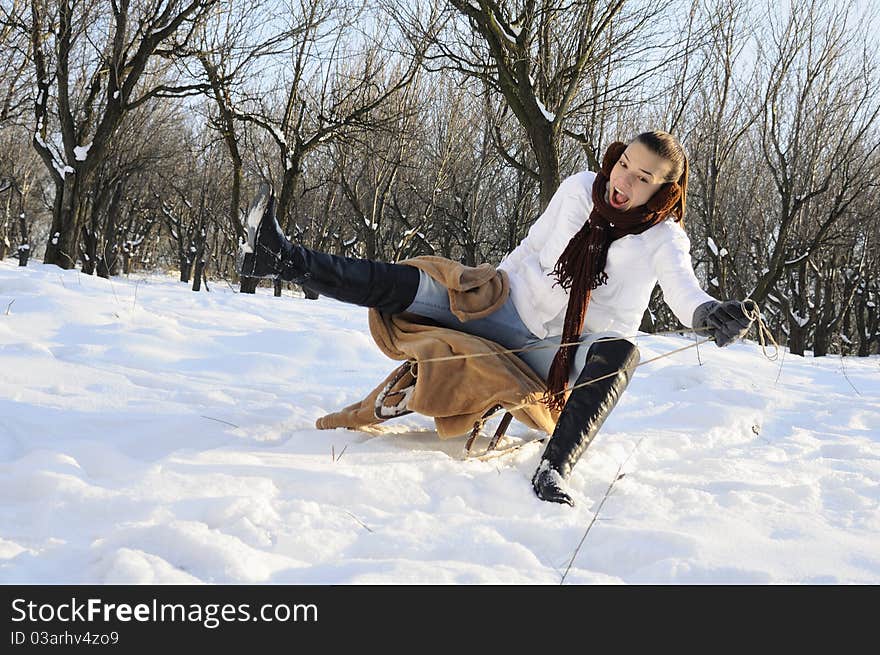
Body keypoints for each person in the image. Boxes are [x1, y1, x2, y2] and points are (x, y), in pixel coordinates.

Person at [238, 130, 754, 507]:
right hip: (508, 306)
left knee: (623, 352)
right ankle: (279, 258)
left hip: (559, 357)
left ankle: (554, 468)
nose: (626, 180)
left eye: (644, 178)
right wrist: (483, 291)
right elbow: (532, 246)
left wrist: (709, 313)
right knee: (411, 285)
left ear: (663, 192)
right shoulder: (578, 189)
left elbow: (684, 289)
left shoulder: (663, 238)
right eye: (625, 165)